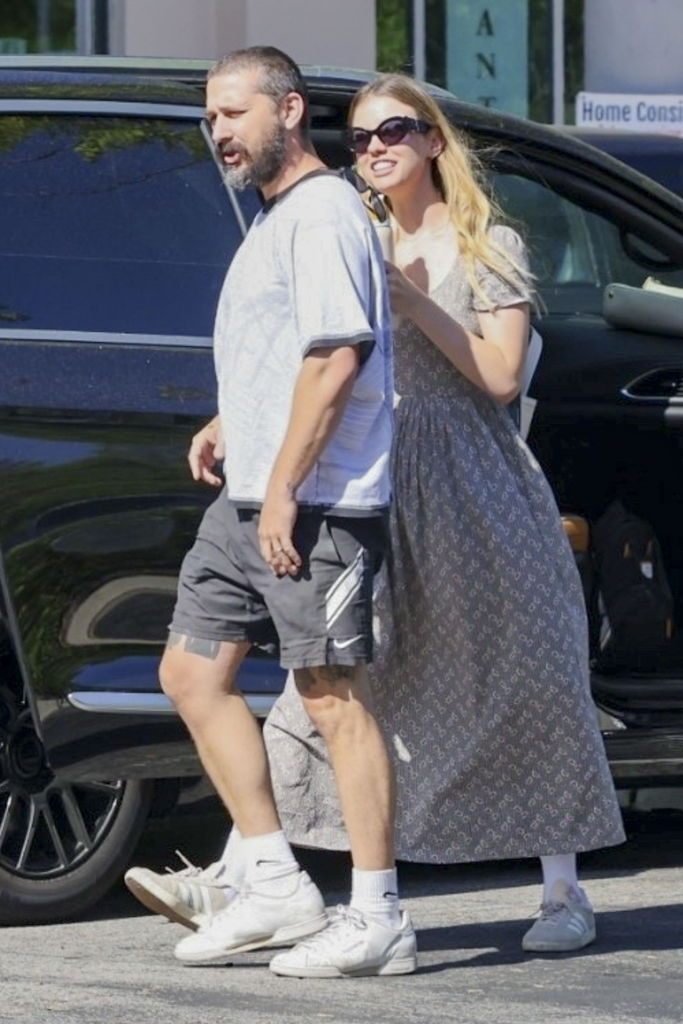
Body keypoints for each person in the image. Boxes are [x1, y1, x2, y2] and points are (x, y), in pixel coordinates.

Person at [128, 71, 626, 956]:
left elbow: (503, 378)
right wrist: (228, 420)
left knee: (522, 679)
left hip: (469, 482)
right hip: (369, 473)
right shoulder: (346, 233)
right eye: (359, 138)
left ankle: (561, 888)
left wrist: (414, 301)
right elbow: (308, 354)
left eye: (395, 130)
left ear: (434, 140)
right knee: (326, 687)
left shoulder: (486, 243)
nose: (375, 148)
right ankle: (250, 867)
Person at [130, 48, 417, 980]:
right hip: (251, 491)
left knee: (335, 699)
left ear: (288, 110)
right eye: (210, 118)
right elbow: (288, 349)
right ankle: (274, 883)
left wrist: (289, 487)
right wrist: (230, 420)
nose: (218, 132)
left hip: (318, 502)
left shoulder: (326, 211)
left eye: (232, 113)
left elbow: (337, 356)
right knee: (189, 672)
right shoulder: (276, 220)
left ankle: (378, 916)